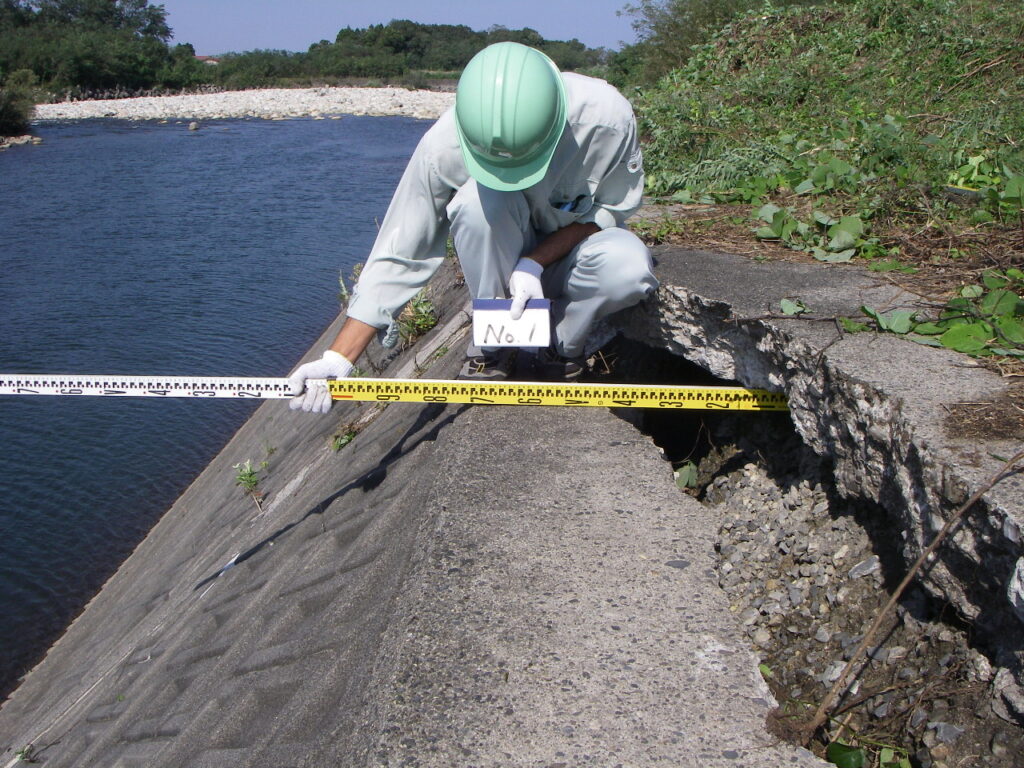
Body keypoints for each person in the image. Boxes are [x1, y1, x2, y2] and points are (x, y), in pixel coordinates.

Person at [289, 42, 658, 414]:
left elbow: (608, 210)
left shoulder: (607, 120)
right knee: (476, 204)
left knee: (626, 268)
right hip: (498, 263)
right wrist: (339, 359)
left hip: (570, 260)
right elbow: (400, 250)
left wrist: (534, 262)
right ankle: (494, 344)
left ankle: (559, 345)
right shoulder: (442, 145)